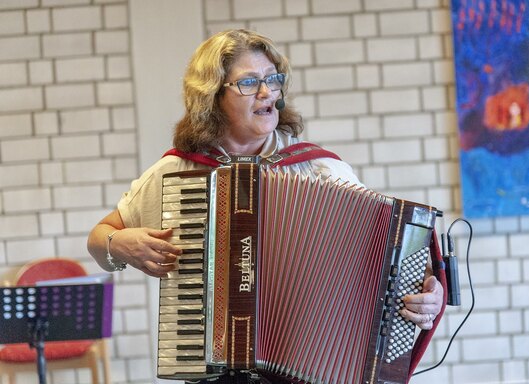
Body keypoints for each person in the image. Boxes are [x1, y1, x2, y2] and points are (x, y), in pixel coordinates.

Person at [87, 29, 444, 383]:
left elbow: (387, 266)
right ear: (211, 95)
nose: (267, 92)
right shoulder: (180, 172)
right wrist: (118, 244)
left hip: (310, 368)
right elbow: (100, 237)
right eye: (249, 82)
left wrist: (427, 295)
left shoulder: (319, 169)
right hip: (214, 374)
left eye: (273, 79)